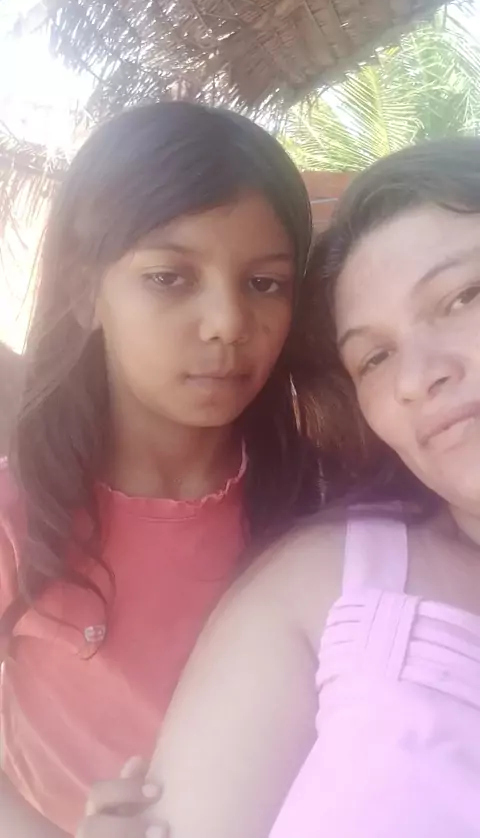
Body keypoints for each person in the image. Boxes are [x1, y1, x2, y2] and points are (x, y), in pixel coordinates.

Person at [81, 136, 480, 838]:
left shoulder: (292, 489)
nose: (417, 377)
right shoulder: (330, 582)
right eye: (375, 356)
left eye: (464, 296)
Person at [0, 100, 325, 837]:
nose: (228, 324)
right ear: (85, 292)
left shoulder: (318, 505)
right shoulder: (21, 516)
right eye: (170, 277)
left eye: (265, 283)